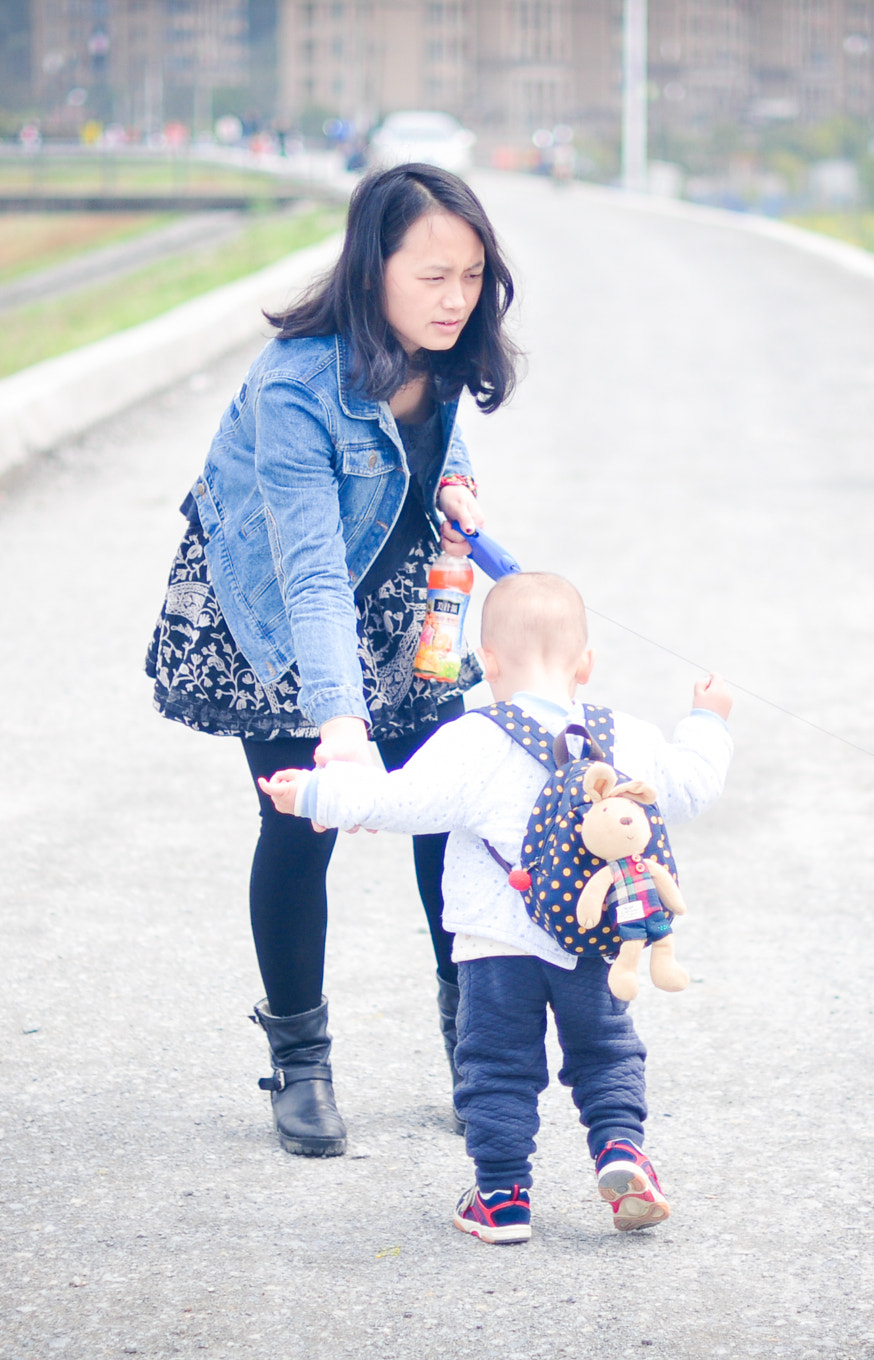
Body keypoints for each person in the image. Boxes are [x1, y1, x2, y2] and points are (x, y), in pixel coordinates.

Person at [144, 163, 519, 1159]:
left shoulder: (440, 352)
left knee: (447, 813)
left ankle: (476, 1051)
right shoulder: (292, 385)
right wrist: (340, 730)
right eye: (432, 275)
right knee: (303, 828)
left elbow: (437, 449)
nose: (454, 298)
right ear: (371, 269)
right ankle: (299, 1061)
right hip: (273, 610)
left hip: (402, 602)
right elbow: (309, 578)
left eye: (471, 276)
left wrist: (460, 491)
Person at [258, 573, 735, 1244]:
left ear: (486, 663)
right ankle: (622, 1151)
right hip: (593, 941)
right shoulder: (624, 736)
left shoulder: (472, 738)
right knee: (605, 1052)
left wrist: (311, 794)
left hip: (494, 946)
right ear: (587, 664)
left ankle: (502, 1197)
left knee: (498, 1066)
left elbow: (398, 802)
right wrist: (706, 720)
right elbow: (690, 786)